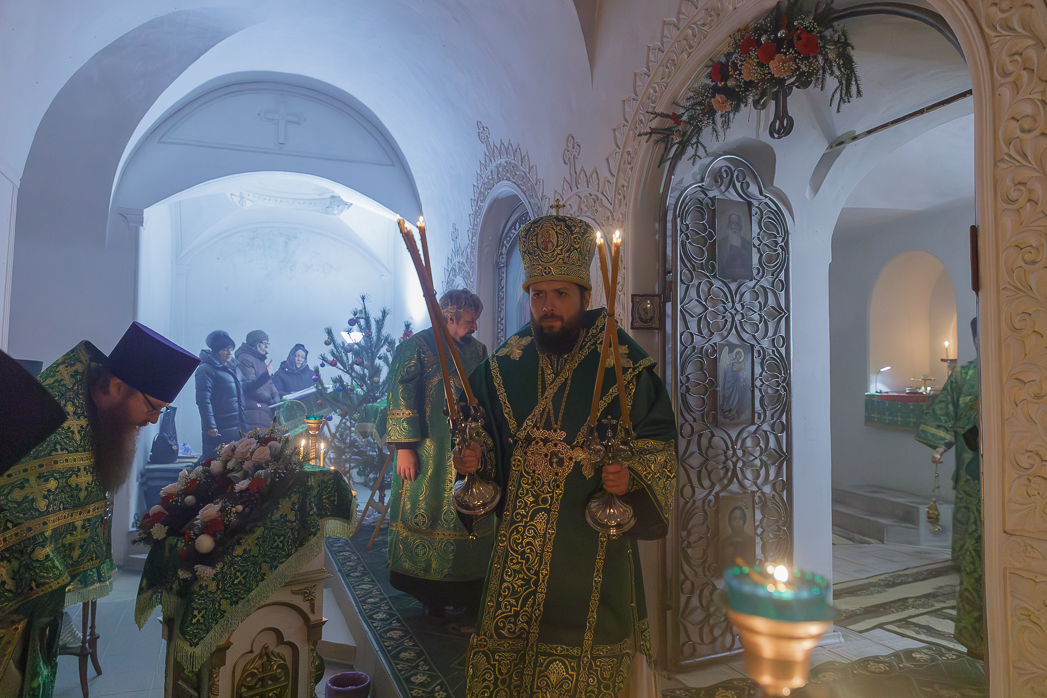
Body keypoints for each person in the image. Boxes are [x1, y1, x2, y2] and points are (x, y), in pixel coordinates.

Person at [452, 214, 677, 697]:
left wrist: (631, 477)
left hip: (592, 542)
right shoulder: (504, 364)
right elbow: (481, 431)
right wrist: (472, 461)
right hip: (518, 547)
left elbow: (658, 442)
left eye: (560, 294)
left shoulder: (624, 364)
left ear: (584, 296)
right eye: (538, 295)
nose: (547, 306)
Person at [0, 322, 199, 698]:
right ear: (116, 386)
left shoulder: (96, 411)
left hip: (37, 609)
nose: (153, 420)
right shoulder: (53, 427)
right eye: (153, 407)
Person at [385, 289, 492, 617]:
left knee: (467, 515)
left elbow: (485, 392)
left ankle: (467, 587)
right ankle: (429, 594)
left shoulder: (478, 350)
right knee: (428, 511)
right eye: (470, 320)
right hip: (429, 451)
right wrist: (404, 447)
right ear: (449, 317)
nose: (475, 327)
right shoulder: (417, 346)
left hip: (468, 448)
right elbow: (401, 393)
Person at [916, 318, 984, 659]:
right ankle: (979, 640)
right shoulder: (965, 376)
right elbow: (944, 414)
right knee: (977, 557)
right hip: (975, 479)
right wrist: (942, 443)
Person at [195, 330, 247, 458]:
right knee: (216, 464)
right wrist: (210, 425)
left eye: (231, 349)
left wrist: (265, 377)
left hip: (236, 427)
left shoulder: (234, 368)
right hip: (218, 429)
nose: (229, 353)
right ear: (216, 351)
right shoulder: (206, 369)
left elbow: (246, 388)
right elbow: (203, 399)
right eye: (225, 349)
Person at [235, 329, 279, 432]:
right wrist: (270, 401)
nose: (266, 346)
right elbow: (252, 388)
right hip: (253, 412)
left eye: (267, 343)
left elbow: (270, 384)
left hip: (265, 411)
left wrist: (276, 399)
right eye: (264, 343)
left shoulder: (261, 360)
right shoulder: (244, 359)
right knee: (256, 440)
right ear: (255, 343)